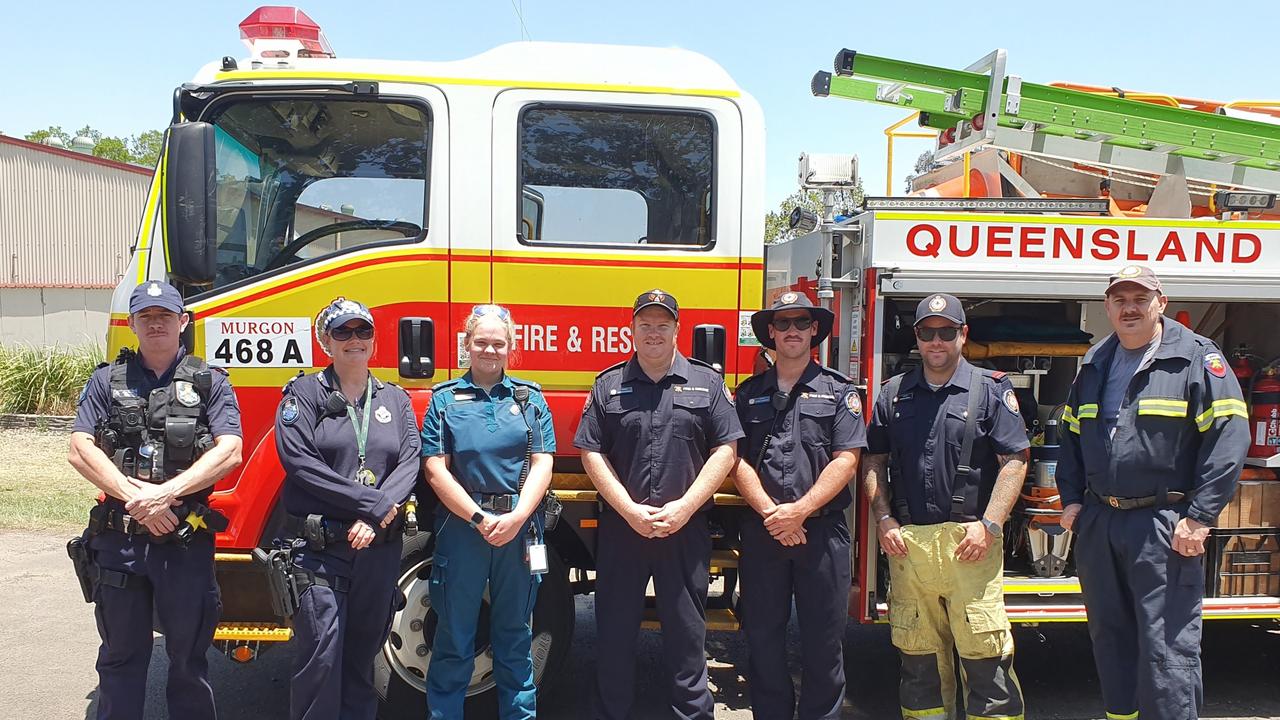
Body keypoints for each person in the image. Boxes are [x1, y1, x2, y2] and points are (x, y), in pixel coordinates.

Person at [1057, 266, 1248, 720]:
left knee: (1167, 648)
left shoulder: (1196, 359)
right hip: (1103, 522)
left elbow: (1230, 436)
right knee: (1111, 639)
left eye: (1140, 299)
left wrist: (1200, 517)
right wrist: (1072, 501)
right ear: (1107, 308)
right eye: (1119, 299)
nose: (1130, 308)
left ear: (1160, 302)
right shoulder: (1097, 362)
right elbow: (1069, 434)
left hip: (1165, 524)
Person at [67, 280, 243, 720]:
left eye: (165, 316)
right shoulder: (106, 379)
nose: (156, 324)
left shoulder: (210, 382)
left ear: (183, 322)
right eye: (146, 317)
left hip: (183, 541)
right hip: (120, 545)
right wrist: (135, 498)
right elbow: (79, 448)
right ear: (132, 324)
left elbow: (231, 450)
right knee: (120, 660)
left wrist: (166, 494)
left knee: (188, 663)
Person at [575, 289, 744, 720]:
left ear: (677, 330)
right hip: (622, 531)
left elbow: (726, 449)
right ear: (631, 329)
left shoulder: (707, 383)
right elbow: (590, 452)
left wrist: (686, 507)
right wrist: (629, 510)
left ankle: (692, 715)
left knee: (688, 637)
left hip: (684, 530)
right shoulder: (608, 385)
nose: (653, 332)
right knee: (613, 633)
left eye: (662, 325)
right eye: (645, 324)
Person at [861, 293, 1029, 720]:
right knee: (918, 664)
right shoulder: (893, 394)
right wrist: (883, 519)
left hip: (970, 543)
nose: (937, 341)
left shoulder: (991, 389)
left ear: (963, 334)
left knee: (985, 659)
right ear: (916, 337)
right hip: (908, 546)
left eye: (947, 332)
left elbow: (1014, 462)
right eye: (927, 332)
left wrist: (989, 525)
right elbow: (873, 460)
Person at [274, 297, 421, 720]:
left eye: (363, 331)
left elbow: (410, 460)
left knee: (362, 663)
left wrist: (376, 516)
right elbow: (300, 462)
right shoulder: (304, 394)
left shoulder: (394, 398)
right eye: (343, 332)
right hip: (321, 552)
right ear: (327, 342)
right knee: (321, 660)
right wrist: (372, 504)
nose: (354, 340)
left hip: (378, 550)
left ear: (374, 341)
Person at [732, 292, 865, 719]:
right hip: (763, 533)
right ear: (770, 333)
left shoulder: (839, 391)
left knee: (824, 644)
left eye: (800, 323)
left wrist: (799, 511)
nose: (792, 331)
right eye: (783, 324)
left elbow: (847, 459)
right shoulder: (747, 394)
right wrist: (774, 514)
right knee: (762, 639)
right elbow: (734, 459)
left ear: (814, 331)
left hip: (822, 534)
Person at [421, 304, 556, 719]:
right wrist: (479, 519)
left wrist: (515, 518)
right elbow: (434, 470)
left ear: (510, 347)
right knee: (455, 638)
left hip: (519, 529)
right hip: (465, 529)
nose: (489, 349)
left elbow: (543, 463)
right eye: (481, 341)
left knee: (516, 637)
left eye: (499, 343)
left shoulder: (530, 398)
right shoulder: (444, 400)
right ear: (466, 345)